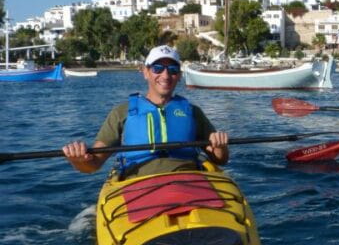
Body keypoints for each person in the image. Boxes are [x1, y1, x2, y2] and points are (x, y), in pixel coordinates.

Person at [62, 45, 229, 178]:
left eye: (172, 70)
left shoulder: (193, 112)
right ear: (146, 72)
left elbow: (221, 160)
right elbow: (93, 164)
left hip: (187, 181)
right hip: (139, 185)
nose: (165, 75)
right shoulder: (121, 113)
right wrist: (78, 161)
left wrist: (220, 147)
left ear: (178, 75)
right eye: (158, 68)